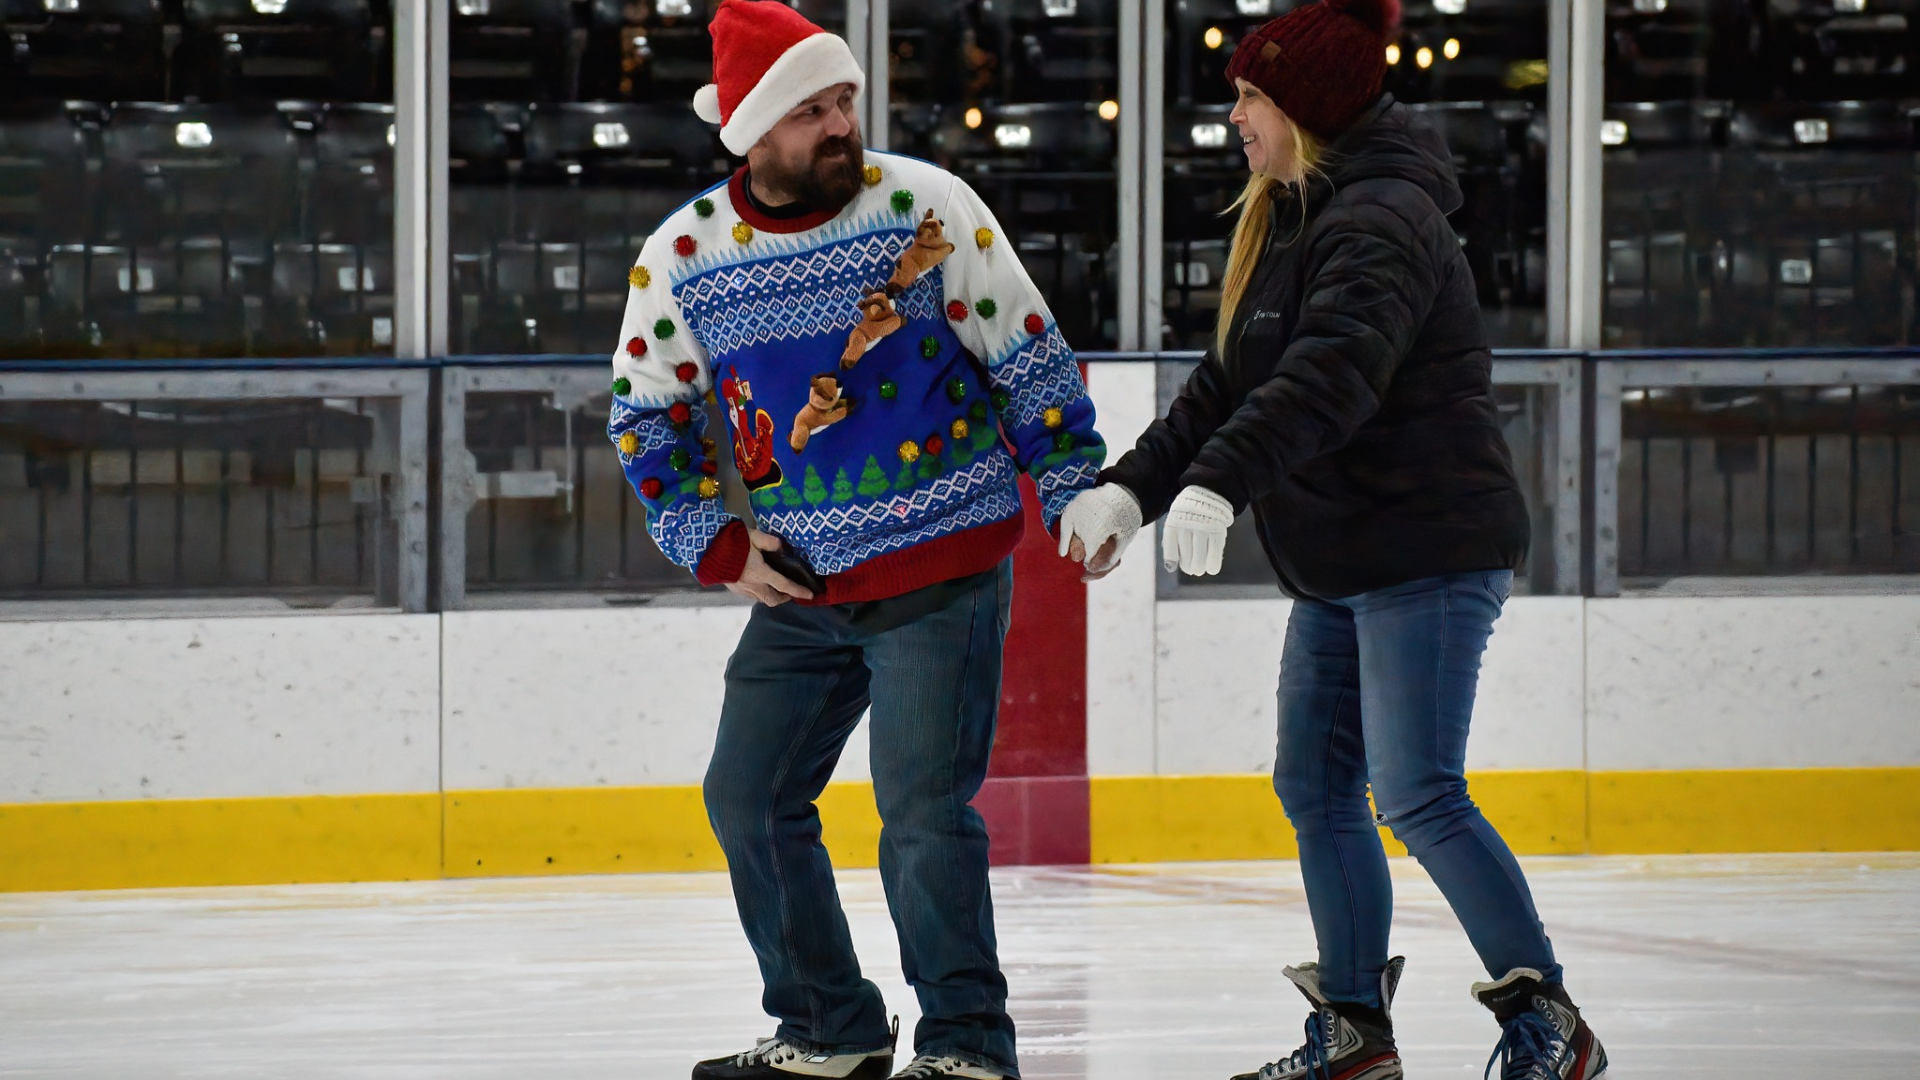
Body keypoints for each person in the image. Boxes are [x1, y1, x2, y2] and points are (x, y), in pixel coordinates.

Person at [1055, 1, 1608, 1078]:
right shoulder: (1300, 214)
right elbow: (1229, 384)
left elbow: (1331, 378)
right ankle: (1354, 1033)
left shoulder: (1383, 217)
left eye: (1252, 98)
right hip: (1344, 559)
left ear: (1304, 107)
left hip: (1427, 545)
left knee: (1417, 789)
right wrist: (1133, 491)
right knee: (1314, 784)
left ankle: (1549, 1022)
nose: (1238, 120)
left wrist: (1220, 484)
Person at [608, 3, 1105, 1078]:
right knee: (747, 798)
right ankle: (829, 1025)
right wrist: (715, 542)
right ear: (749, 128)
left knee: (923, 814)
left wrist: (1070, 484)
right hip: (802, 585)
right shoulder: (685, 255)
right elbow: (645, 414)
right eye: (811, 110)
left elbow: (1028, 355)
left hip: (945, 565)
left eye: (845, 101)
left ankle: (969, 1047)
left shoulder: (929, 205)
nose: (841, 124)